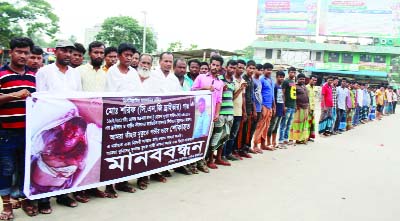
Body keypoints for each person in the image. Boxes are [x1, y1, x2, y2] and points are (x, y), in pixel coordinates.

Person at [36, 39, 82, 210]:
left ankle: (63, 195)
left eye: (70, 51)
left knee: (64, 160)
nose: (68, 54)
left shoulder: (74, 73)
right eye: (64, 51)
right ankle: (43, 199)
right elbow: (40, 98)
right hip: (50, 122)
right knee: (47, 158)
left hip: (70, 123)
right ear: (56, 52)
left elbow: (79, 98)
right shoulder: (44, 72)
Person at [0, 37, 37, 219]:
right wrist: (14, 95)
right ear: (11, 52)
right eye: (19, 52)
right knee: (6, 170)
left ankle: (25, 201)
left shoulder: (33, 76)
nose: (23, 56)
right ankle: (7, 207)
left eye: (26, 52)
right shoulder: (2, 74)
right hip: (6, 132)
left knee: (25, 169)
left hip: (28, 133)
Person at [74, 41, 108, 202]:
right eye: (96, 52)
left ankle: (93, 187)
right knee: (81, 155)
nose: (99, 56)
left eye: (101, 53)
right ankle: (79, 191)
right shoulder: (79, 71)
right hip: (81, 119)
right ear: (89, 53)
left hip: (98, 120)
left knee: (96, 154)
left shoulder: (105, 74)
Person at [104, 43, 139, 195]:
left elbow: (139, 93)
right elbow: (111, 95)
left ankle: (122, 182)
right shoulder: (112, 71)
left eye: (131, 55)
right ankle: (109, 185)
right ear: (119, 56)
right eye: (126, 55)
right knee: (112, 152)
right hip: (116, 117)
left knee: (127, 150)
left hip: (131, 117)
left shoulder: (133, 72)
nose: (129, 58)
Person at [192, 55, 225, 169]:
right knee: (196, 137)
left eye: (217, 65)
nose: (215, 67)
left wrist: (217, 113)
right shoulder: (201, 77)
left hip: (210, 115)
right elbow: (192, 91)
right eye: (213, 64)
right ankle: (192, 163)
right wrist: (204, 88)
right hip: (198, 113)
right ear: (210, 64)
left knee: (206, 138)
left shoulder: (220, 83)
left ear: (220, 67)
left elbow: (219, 100)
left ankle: (201, 162)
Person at [223, 60, 243, 162]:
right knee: (224, 135)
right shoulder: (223, 79)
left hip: (237, 112)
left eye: (234, 68)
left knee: (233, 134)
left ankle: (228, 153)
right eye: (231, 67)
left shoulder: (235, 81)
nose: (233, 70)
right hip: (225, 112)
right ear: (226, 67)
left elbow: (234, 96)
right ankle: (221, 156)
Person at [238, 60, 257, 157]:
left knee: (248, 130)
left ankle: (245, 148)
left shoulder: (251, 80)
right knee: (242, 131)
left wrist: (254, 110)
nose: (252, 70)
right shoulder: (243, 79)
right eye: (250, 68)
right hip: (243, 109)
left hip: (250, 108)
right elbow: (243, 96)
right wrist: (244, 111)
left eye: (253, 68)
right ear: (246, 68)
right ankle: (239, 149)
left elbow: (252, 96)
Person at [254, 63, 274, 151]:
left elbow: (272, 95)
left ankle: (263, 144)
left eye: (270, 70)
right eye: (267, 69)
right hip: (263, 105)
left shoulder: (271, 80)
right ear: (264, 70)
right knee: (260, 125)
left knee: (266, 126)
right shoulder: (261, 80)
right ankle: (255, 145)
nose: (269, 71)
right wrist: (261, 107)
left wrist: (274, 106)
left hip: (270, 106)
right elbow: (259, 94)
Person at [279, 67, 297, 146]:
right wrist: (284, 105)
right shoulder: (285, 81)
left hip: (293, 106)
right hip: (287, 106)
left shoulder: (293, 82)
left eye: (294, 72)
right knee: (283, 124)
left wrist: (295, 105)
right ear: (288, 72)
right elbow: (283, 94)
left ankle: (286, 139)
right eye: (291, 72)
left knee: (289, 124)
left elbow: (294, 94)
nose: (293, 74)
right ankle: (281, 140)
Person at [289, 73, 309, 144]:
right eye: (300, 79)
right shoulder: (294, 85)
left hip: (305, 107)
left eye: (303, 79)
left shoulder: (304, 86)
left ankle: (300, 139)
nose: (302, 80)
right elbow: (292, 96)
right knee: (295, 123)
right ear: (297, 79)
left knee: (303, 123)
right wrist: (295, 105)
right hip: (298, 107)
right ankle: (291, 138)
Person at [267, 71, 285, 148]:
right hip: (275, 108)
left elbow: (283, 98)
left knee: (277, 126)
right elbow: (272, 98)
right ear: (277, 77)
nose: (281, 78)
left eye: (283, 77)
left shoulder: (282, 87)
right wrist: (273, 108)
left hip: (281, 108)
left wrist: (284, 107)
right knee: (272, 125)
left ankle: (274, 141)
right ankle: (268, 142)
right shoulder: (274, 86)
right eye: (280, 77)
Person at [250, 64, 263, 150]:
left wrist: (261, 109)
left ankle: (252, 146)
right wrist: (254, 110)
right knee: (250, 129)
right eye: (259, 70)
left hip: (259, 107)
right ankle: (249, 146)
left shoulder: (259, 81)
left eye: (261, 70)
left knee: (255, 128)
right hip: (253, 108)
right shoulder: (253, 80)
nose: (260, 71)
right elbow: (252, 97)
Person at [306, 75, 317, 141]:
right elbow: (306, 99)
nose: (314, 81)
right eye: (313, 80)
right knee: (307, 122)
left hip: (313, 108)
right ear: (310, 79)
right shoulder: (307, 87)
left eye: (315, 80)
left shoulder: (315, 88)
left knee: (312, 123)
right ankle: (306, 136)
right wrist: (308, 108)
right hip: (308, 108)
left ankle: (309, 136)